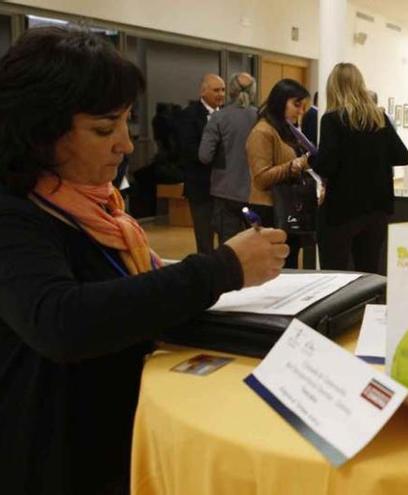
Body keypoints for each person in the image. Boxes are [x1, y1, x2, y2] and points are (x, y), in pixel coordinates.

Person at [0, 27, 289, 494]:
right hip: (51, 461)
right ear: (40, 133)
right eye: (103, 128)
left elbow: (130, 293)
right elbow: (62, 320)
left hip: (115, 444)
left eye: (125, 123)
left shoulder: (99, 206)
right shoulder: (15, 213)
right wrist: (222, 268)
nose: (126, 144)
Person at [314, 62, 408, 273]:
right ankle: (368, 307)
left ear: (334, 87)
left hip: (342, 208)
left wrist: (310, 159)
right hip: (377, 207)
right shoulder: (379, 118)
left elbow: (326, 165)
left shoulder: (332, 119)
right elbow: (402, 156)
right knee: (368, 271)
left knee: (334, 273)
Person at [246, 78, 314, 268]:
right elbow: (260, 178)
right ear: (280, 101)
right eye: (296, 105)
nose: (301, 111)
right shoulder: (262, 132)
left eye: (303, 106)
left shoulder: (286, 130)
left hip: (288, 206)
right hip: (269, 210)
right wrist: (293, 166)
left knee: (289, 263)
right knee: (275, 267)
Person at [199, 72, 259, 243]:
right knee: (255, 244)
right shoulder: (261, 117)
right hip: (255, 192)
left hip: (225, 192)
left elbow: (204, 156)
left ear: (230, 91)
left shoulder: (219, 117)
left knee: (229, 246)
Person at [178, 72, 225, 254]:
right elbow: (188, 150)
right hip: (200, 187)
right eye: (216, 90)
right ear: (203, 91)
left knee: (226, 237)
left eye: (222, 90)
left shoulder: (228, 113)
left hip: (225, 188)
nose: (220, 94)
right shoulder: (189, 115)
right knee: (204, 239)